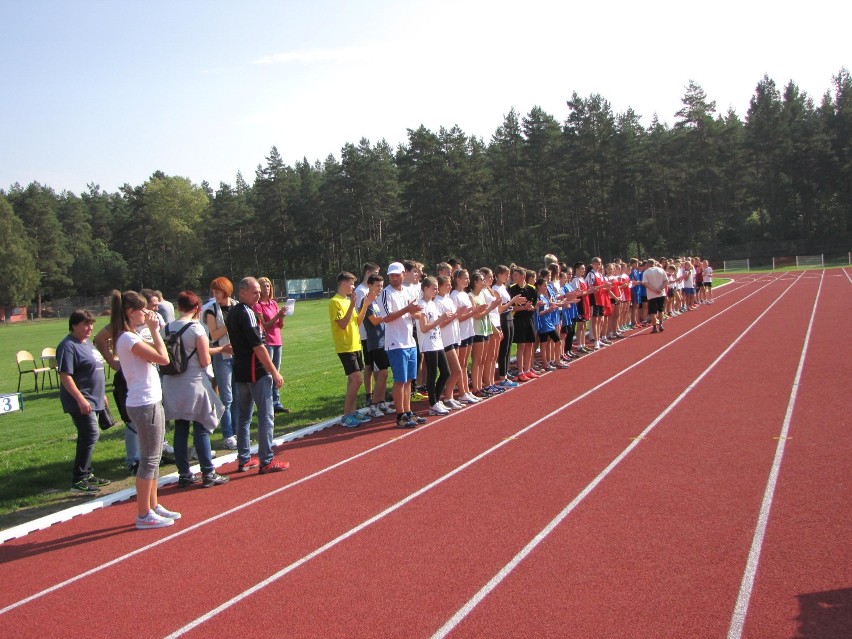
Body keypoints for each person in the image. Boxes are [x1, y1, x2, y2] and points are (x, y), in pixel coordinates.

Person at [110, 289, 180, 529]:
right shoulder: (128, 339)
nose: (148, 313)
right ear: (131, 312)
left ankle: (153, 504)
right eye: (142, 310)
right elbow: (164, 358)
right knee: (149, 459)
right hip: (144, 402)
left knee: (155, 457)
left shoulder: (131, 336)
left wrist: (152, 331)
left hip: (149, 400)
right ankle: (143, 513)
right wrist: (153, 329)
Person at [162, 291, 229, 489]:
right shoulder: (197, 329)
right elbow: (205, 359)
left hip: (172, 382)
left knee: (181, 427)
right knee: (201, 427)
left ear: (178, 307)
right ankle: (208, 472)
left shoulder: (166, 328)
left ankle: (184, 473)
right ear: (198, 308)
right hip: (193, 381)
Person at [226, 277, 290, 474]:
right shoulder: (247, 313)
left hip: (241, 371)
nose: (258, 295)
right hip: (256, 372)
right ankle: (266, 460)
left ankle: (244, 459)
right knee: (266, 416)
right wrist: (274, 372)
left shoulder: (233, 312)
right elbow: (258, 347)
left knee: (244, 417)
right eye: (254, 292)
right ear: (242, 292)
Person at [57, 310, 110, 495]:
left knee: (89, 436)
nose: (90, 328)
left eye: (91, 324)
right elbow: (65, 376)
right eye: (85, 324)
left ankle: (87, 473)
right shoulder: (68, 346)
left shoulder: (87, 343)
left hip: (94, 397)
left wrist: (101, 394)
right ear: (74, 325)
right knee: (90, 434)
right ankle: (78, 479)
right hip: (81, 400)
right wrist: (80, 398)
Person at [378, 262, 424, 428]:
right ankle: (400, 415)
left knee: (409, 381)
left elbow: (416, 313)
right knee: (400, 380)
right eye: (392, 275)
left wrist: (416, 312)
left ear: (403, 274)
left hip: (409, 341)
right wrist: (408, 310)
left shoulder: (408, 291)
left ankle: (408, 411)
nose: (395, 278)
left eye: (397, 275)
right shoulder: (385, 293)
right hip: (395, 343)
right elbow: (387, 317)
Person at [329, 271, 375, 428]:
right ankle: (346, 415)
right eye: (351, 283)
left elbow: (357, 321)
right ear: (343, 284)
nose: (353, 287)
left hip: (355, 345)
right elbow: (342, 324)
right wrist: (352, 305)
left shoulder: (348, 301)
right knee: (357, 380)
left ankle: (352, 411)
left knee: (352, 381)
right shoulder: (335, 302)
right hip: (345, 346)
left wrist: (365, 305)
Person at [93, 323, 140, 475]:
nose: (153, 309)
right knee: (132, 418)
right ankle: (134, 459)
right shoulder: (120, 323)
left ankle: (157, 452)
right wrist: (113, 362)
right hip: (128, 377)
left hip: (149, 374)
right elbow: (99, 339)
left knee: (154, 418)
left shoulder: (154, 319)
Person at [203, 277, 239, 449]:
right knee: (227, 397)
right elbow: (214, 335)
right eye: (213, 292)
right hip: (222, 356)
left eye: (217, 292)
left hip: (238, 354)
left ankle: (239, 430)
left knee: (239, 394)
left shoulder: (237, 305)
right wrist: (230, 322)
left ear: (226, 291)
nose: (214, 295)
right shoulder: (211, 310)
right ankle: (228, 434)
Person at [416, 276, 455, 415]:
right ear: (425, 289)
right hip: (428, 343)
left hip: (437, 341)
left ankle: (436, 400)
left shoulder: (432, 303)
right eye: (434, 288)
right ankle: (433, 403)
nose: (436, 291)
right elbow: (424, 328)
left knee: (446, 372)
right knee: (432, 374)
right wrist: (441, 319)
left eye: (437, 288)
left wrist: (446, 319)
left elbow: (437, 323)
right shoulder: (421, 305)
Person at [361, 273, 394, 416]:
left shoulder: (379, 301)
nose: (380, 288)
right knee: (383, 373)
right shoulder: (366, 302)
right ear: (369, 285)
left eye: (381, 285)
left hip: (384, 342)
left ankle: (380, 402)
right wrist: (389, 317)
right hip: (375, 343)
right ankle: (374, 404)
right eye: (377, 286)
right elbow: (374, 321)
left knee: (384, 374)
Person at [253, 276, 288, 414]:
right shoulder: (258, 306)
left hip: (277, 341)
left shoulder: (273, 303)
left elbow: (280, 325)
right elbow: (265, 326)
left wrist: (282, 317)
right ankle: (266, 403)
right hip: (266, 342)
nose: (266, 288)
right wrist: (277, 316)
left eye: (268, 286)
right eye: (263, 286)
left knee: (276, 373)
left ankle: (276, 402)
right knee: (268, 373)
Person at [355, 262, 380, 409]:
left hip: (373, 332)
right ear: (368, 273)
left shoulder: (372, 289)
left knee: (375, 365)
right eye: (375, 272)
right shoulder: (361, 291)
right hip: (365, 334)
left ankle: (377, 393)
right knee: (369, 365)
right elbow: (360, 312)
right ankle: (369, 394)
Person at [642, 260, 669, 333]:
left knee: (652, 312)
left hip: (652, 295)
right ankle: (660, 325)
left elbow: (645, 283)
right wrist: (660, 288)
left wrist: (654, 290)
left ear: (647, 264)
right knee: (660, 310)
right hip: (661, 293)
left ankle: (654, 327)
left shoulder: (646, 272)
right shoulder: (661, 270)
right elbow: (666, 281)